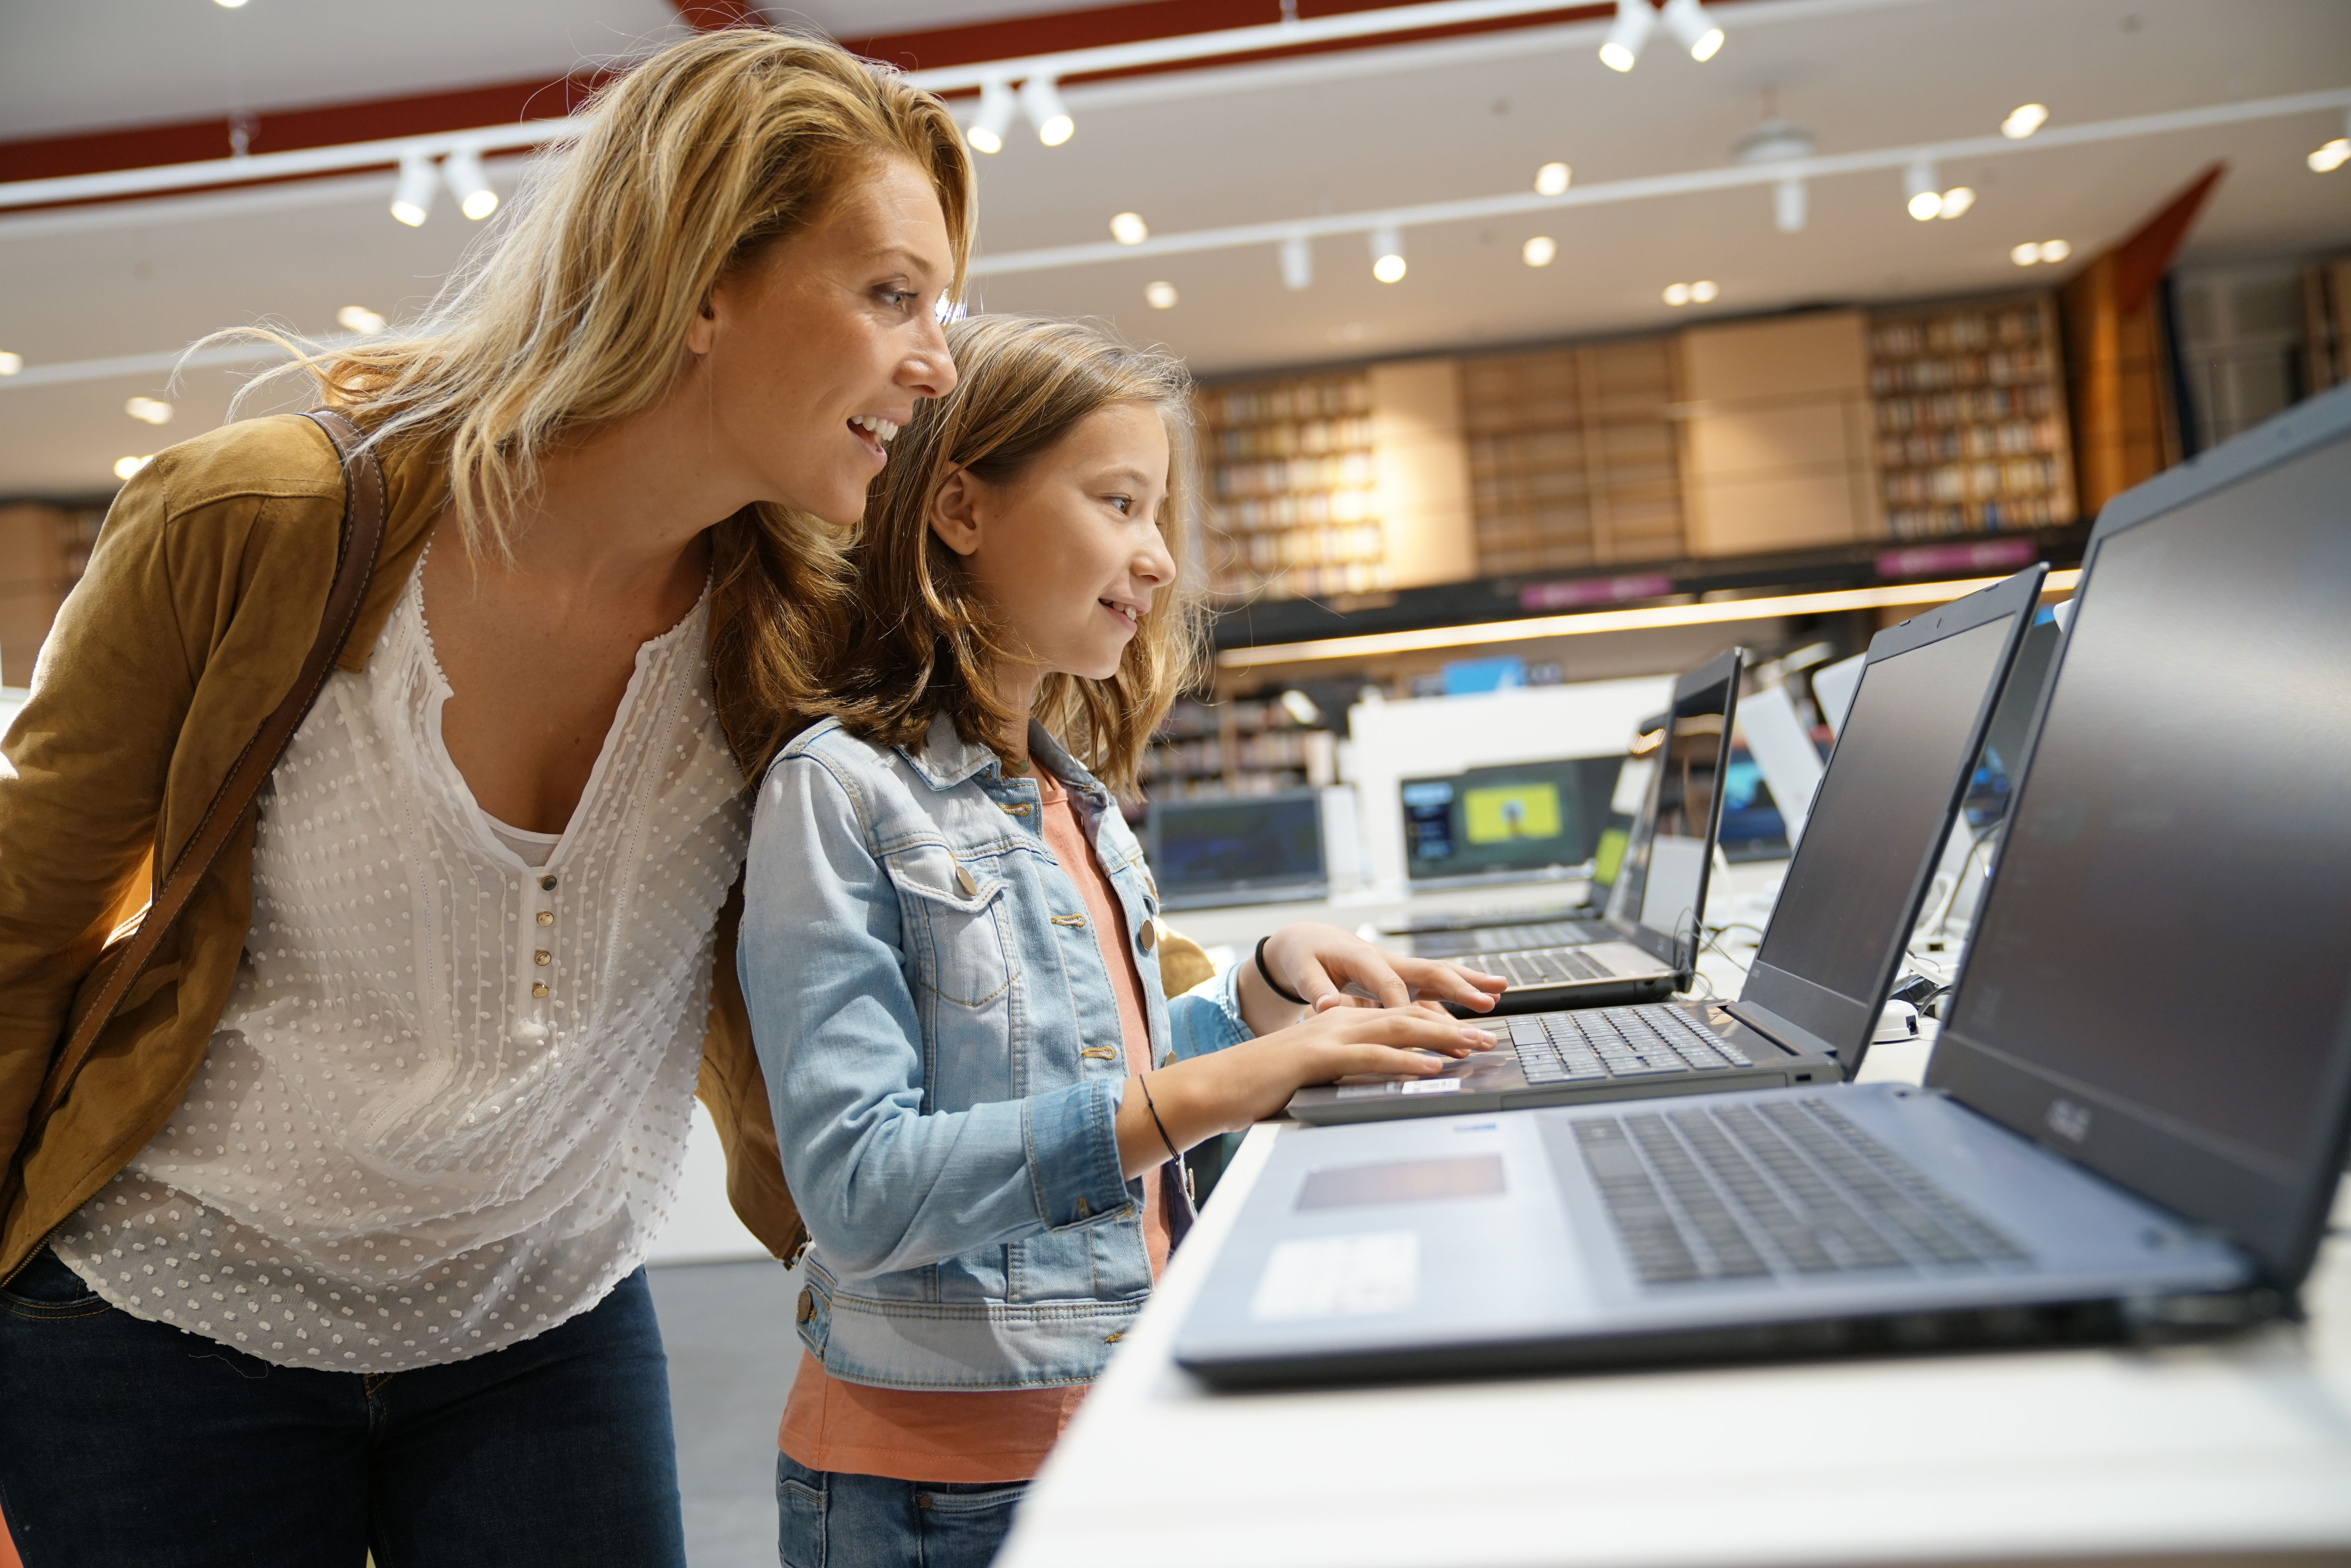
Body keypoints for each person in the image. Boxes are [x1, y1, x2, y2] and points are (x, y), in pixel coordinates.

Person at [0, 30, 969, 1568]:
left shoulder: (796, 627)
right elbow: (22, 930)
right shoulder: (264, 523)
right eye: (893, 294)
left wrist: (1242, 992)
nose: (938, 359)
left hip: (543, 1329)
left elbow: (979, 897)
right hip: (159, 1332)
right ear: (702, 278)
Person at [740, 314, 1509, 1568]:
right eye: (1117, 502)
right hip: (935, 1495)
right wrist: (1231, 1081)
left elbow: (1099, 1079)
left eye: (1159, 514)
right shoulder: (838, 792)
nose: (1155, 560)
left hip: (1113, 1422)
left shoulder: (1073, 794)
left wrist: (1265, 1000)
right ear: (958, 510)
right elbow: (862, 1189)